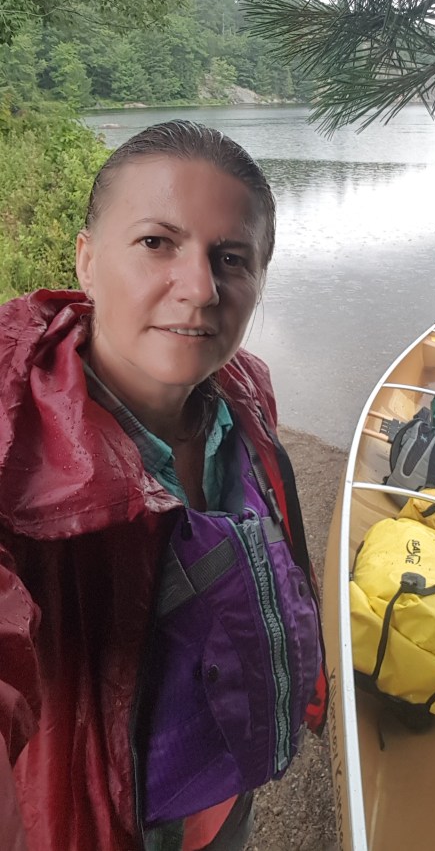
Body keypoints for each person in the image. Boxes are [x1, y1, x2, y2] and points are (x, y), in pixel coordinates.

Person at [0, 120, 327, 851]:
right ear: (86, 261)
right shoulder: (11, 432)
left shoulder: (243, 389)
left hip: (217, 800)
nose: (202, 287)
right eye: (157, 242)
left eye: (232, 257)